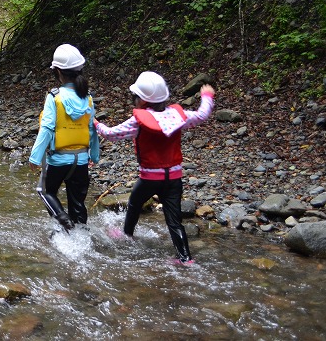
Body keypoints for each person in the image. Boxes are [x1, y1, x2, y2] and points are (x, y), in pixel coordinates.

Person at [95, 72, 215, 265]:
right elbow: (202, 115)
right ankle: (185, 259)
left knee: (134, 203)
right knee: (174, 221)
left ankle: (127, 234)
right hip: (174, 178)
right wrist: (207, 97)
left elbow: (111, 134)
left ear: (141, 100)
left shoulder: (138, 121)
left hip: (150, 179)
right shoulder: (178, 116)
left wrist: (95, 123)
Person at [29, 44, 99, 231]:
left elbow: (47, 128)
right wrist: (94, 155)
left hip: (59, 160)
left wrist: (35, 157)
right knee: (78, 204)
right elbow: (91, 129)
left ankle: (63, 220)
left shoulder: (54, 97)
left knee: (45, 191)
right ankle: (82, 234)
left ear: (58, 72)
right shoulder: (88, 97)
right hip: (82, 160)